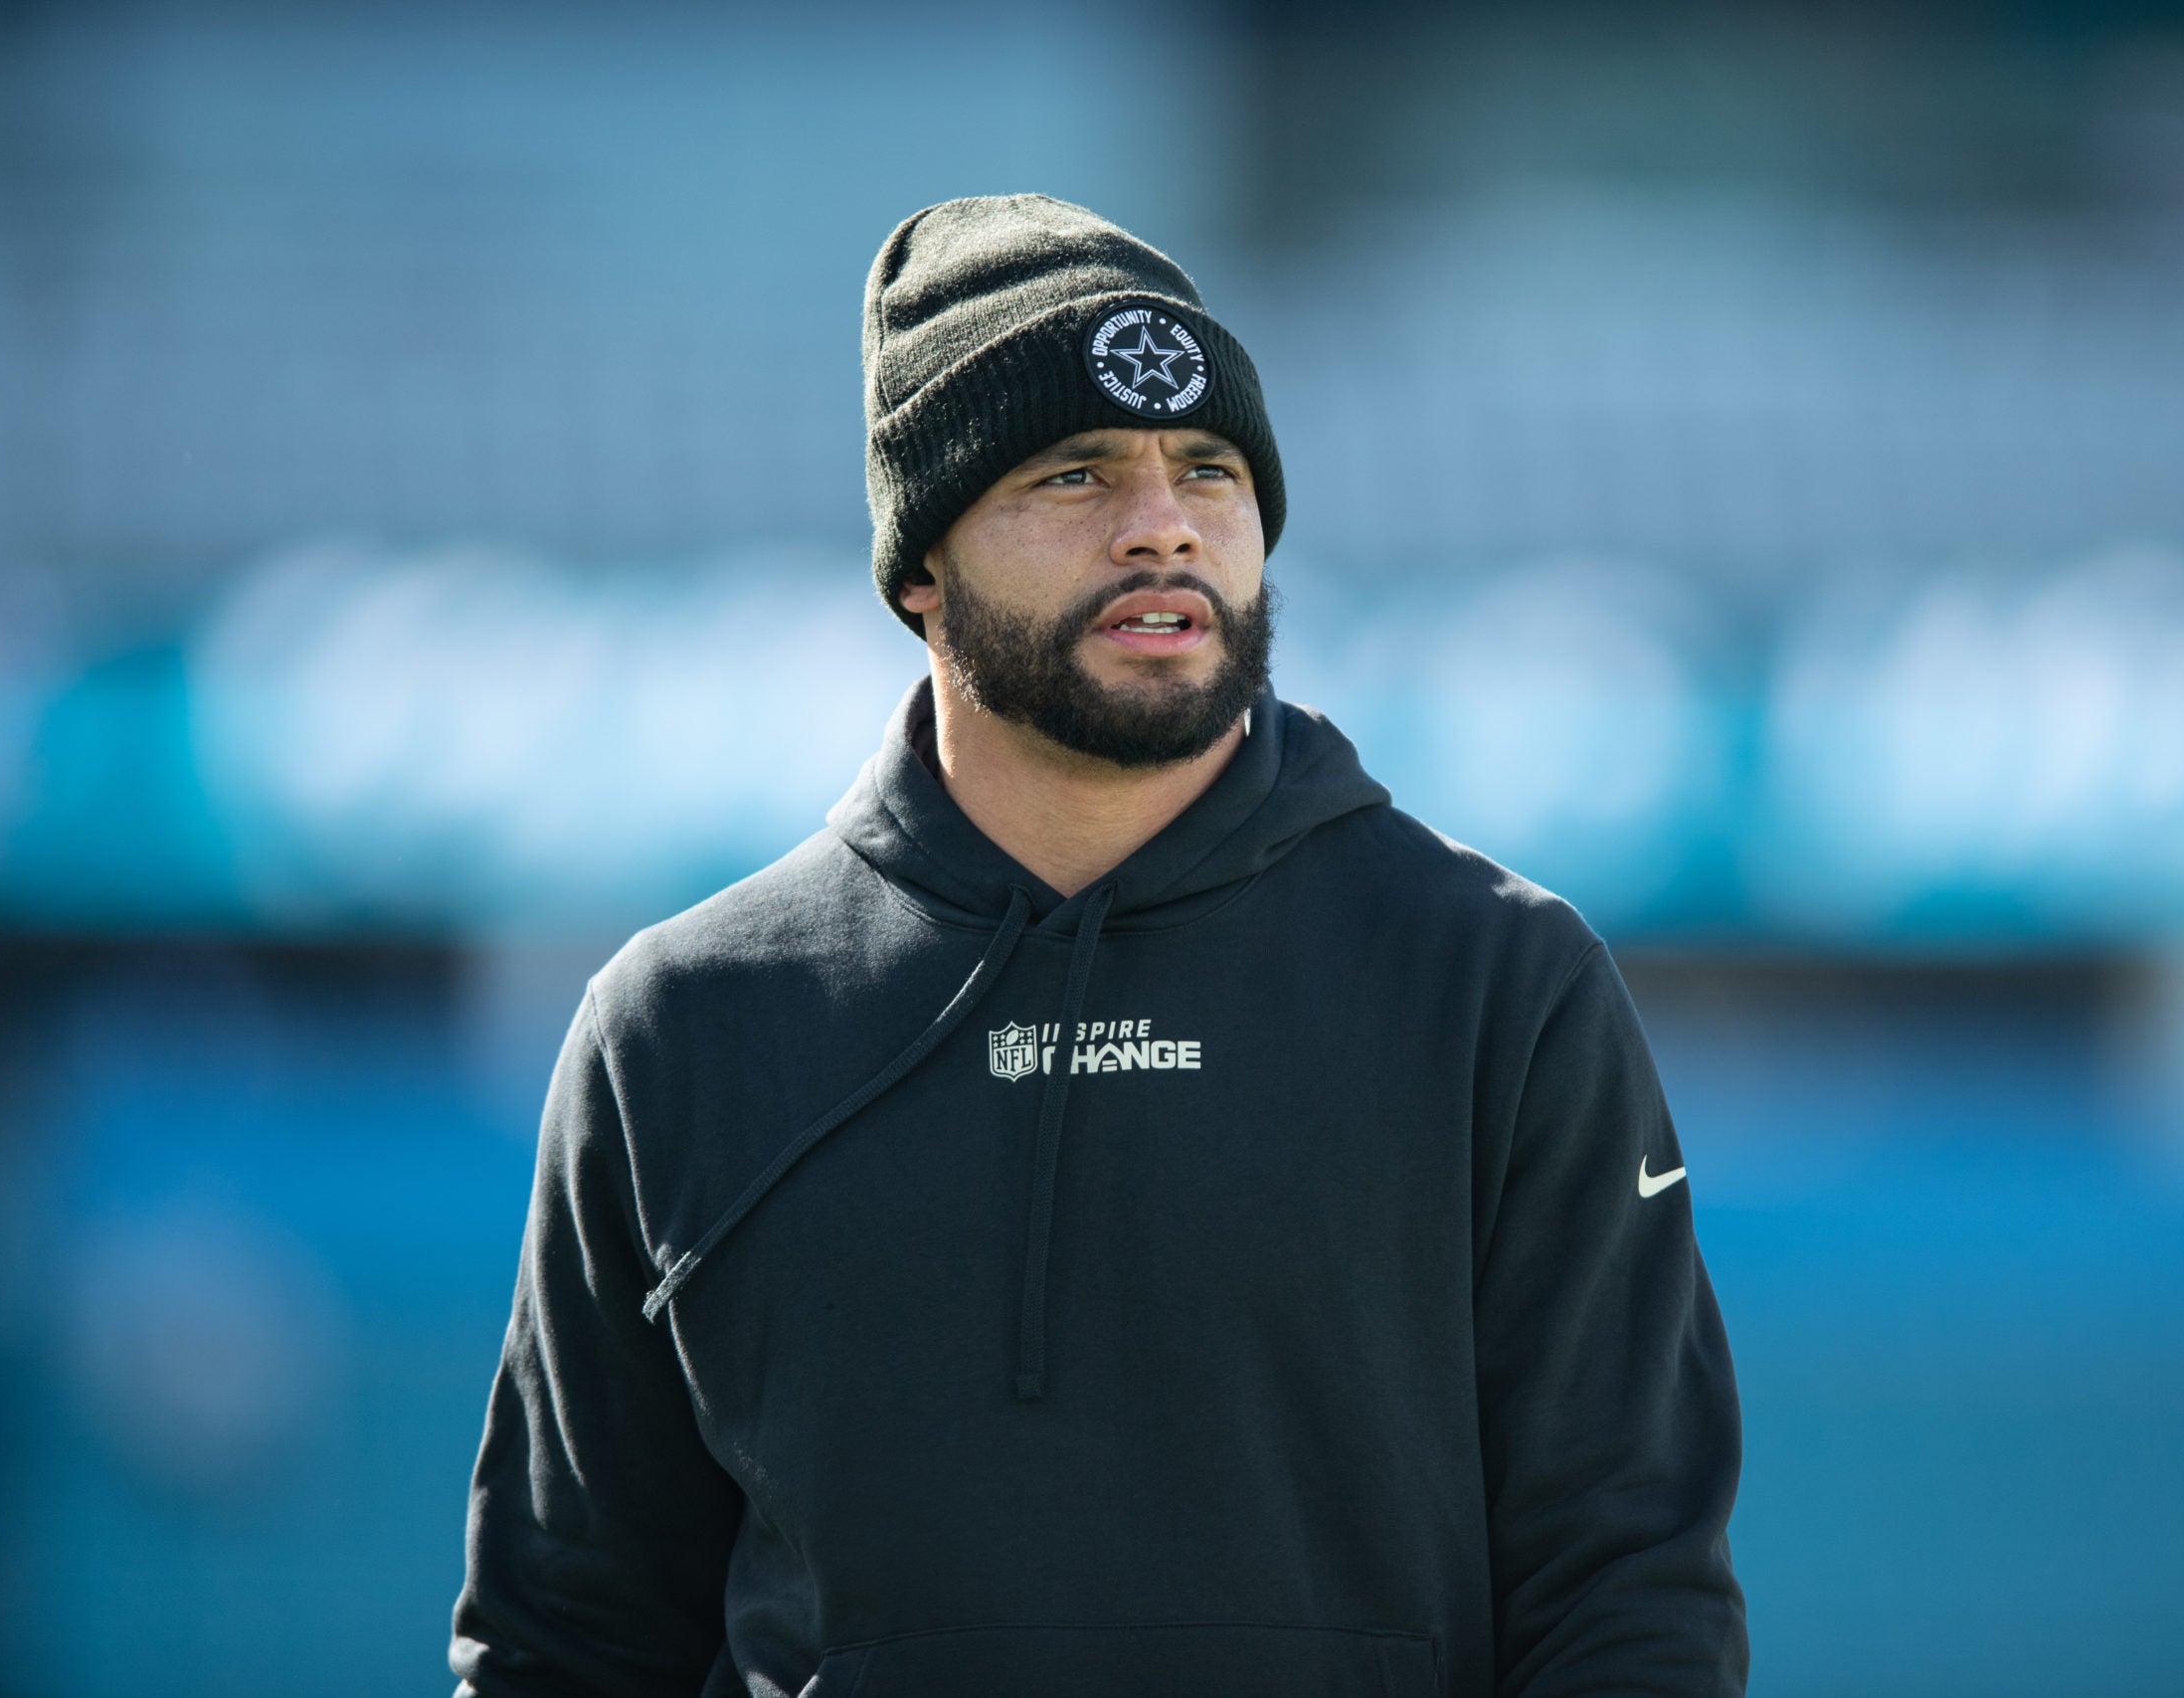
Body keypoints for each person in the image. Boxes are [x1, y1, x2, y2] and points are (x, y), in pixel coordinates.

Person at [450, 194, 1747, 1697]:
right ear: (919, 564)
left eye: (1209, 470)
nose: (1164, 523)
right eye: (1075, 474)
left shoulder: (1496, 983)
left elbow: (1631, 1596)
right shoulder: (681, 1028)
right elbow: (566, 1639)